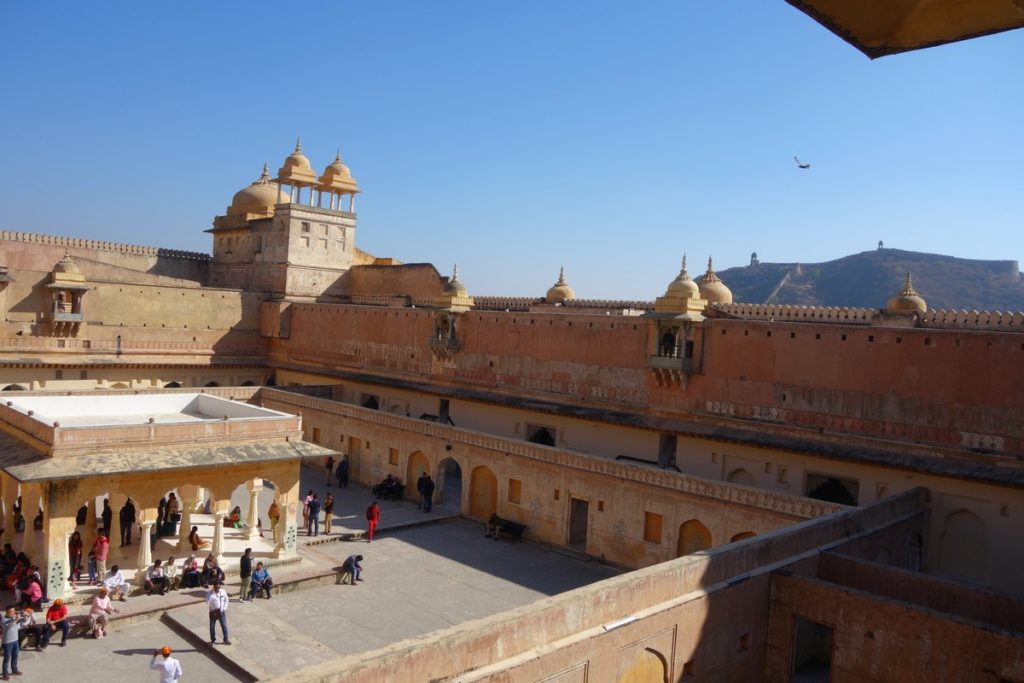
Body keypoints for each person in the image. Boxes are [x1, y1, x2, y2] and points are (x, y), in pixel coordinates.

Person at [1, 605, 30, 678]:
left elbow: (24, 620)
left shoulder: (14, 617)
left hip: (15, 641)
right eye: (12, 611)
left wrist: (26, 615)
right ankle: (5, 674)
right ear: (7, 612)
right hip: (7, 643)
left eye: (14, 611)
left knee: (15, 656)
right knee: (7, 658)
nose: (13, 613)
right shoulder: (3, 620)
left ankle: (14, 670)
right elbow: (8, 627)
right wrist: (16, 620)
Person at [206, 581, 230, 645]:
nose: (217, 589)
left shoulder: (223, 592)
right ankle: (213, 640)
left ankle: (226, 639)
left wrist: (224, 608)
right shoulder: (210, 594)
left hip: (221, 612)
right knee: (212, 627)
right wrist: (212, 593)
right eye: (216, 587)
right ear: (213, 587)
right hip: (213, 612)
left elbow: (226, 599)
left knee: (224, 625)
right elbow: (207, 602)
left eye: (218, 587)